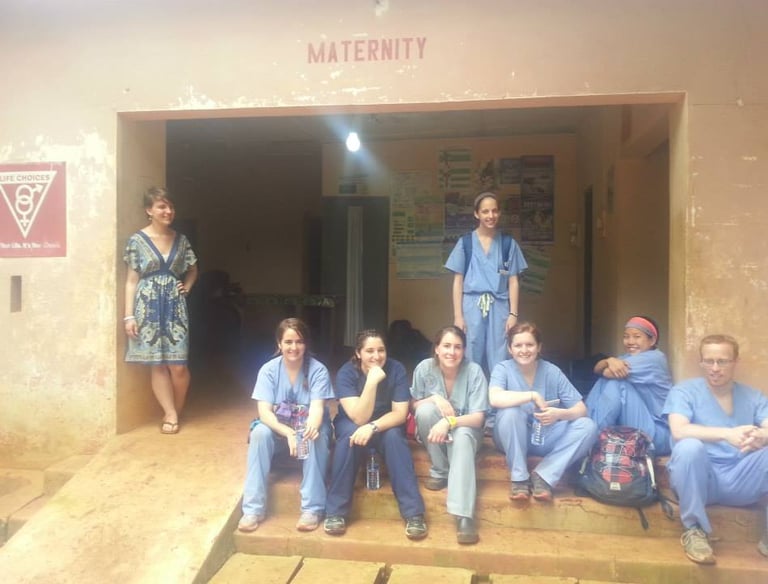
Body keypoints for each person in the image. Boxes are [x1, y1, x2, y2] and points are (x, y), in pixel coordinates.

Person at [663, 334, 768, 565]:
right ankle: (694, 530)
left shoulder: (752, 396)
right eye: (708, 361)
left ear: (735, 362)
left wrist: (763, 435)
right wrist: (726, 434)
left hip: (741, 477)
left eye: (722, 361)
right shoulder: (684, 392)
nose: (715, 368)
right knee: (688, 447)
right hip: (701, 480)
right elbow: (679, 430)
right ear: (701, 362)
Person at [324, 330, 428, 540]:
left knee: (395, 439)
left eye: (381, 350)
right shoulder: (346, 373)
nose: (376, 356)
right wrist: (371, 382)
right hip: (352, 421)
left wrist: (373, 427)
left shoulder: (396, 369)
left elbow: (400, 414)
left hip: (385, 422)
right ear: (358, 353)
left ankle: (414, 514)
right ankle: (335, 512)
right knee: (349, 438)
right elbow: (358, 417)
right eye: (369, 351)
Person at [238, 318, 333, 533]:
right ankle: (253, 509)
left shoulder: (318, 370)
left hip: (308, 425)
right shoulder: (269, 370)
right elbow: (264, 412)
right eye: (288, 342)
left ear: (306, 344)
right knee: (259, 433)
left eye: (299, 341)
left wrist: (308, 428)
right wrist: (288, 432)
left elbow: (317, 408)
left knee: (314, 434)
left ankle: (312, 508)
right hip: (279, 429)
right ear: (279, 343)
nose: (294, 347)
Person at [490, 322, 597, 501]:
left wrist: (559, 414)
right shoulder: (503, 369)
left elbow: (581, 409)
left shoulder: (552, 371)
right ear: (510, 349)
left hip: (545, 436)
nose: (524, 350)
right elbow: (495, 398)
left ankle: (544, 476)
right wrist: (531, 395)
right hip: (512, 437)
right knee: (510, 413)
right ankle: (519, 479)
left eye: (530, 344)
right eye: (518, 345)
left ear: (539, 347)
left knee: (588, 426)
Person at [123, 186, 198, 434]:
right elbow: (131, 281)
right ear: (149, 210)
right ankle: (170, 413)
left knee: (179, 365)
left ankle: (176, 408)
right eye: (162, 206)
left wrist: (187, 287)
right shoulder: (137, 241)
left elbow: (193, 269)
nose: (168, 211)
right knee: (157, 364)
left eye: (171, 207)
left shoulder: (181, 240)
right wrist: (129, 316)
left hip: (175, 308)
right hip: (148, 308)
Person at [410, 325, 488, 544]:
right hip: (435, 429)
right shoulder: (424, 368)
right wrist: (435, 399)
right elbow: (413, 405)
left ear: (464, 350)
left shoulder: (474, 371)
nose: (451, 352)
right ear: (436, 348)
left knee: (461, 437)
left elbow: (478, 418)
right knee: (425, 411)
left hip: (467, 430)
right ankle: (441, 470)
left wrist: (449, 421)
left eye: (457, 347)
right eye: (446, 346)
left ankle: (464, 516)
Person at [445, 192, 527, 377]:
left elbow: (513, 281)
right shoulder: (466, 243)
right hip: (471, 305)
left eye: (495, 211)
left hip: (500, 304)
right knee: (469, 350)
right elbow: (458, 282)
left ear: (499, 213)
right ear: (476, 214)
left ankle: (498, 391)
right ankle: (470, 392)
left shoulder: (507, 244)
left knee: (500, 352)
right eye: (485, 211)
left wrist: (513, 313)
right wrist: (458, 316)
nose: (491, 216)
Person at [586, 315, 673, 455]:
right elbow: (597, 369)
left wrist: (608, 364)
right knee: (603, 381)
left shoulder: (655, 358)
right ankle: (587, 426)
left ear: (652, 340)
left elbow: (607, 372)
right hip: (636, 427)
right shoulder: (627, 358)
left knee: (616, 383)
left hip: (657, 433)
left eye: (637, 336)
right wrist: (609, 360)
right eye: (626, 336)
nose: (630, 341)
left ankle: (591, 437)